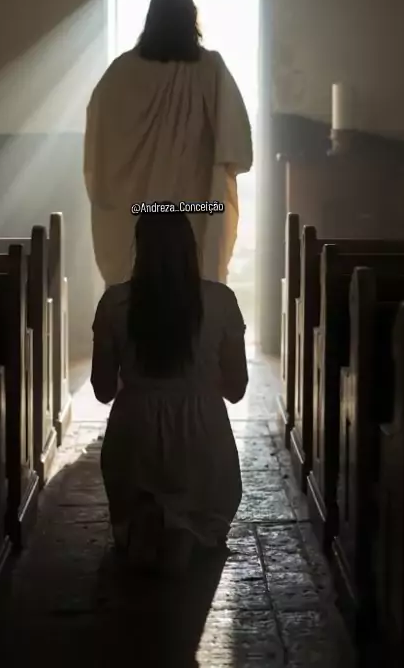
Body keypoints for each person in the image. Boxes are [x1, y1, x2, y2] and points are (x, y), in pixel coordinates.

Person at [90, 208, 248, 575]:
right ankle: (185, 529)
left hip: (136, 432)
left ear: (140, 249)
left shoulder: (114, 302)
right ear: (190, 249)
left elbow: (102, 390)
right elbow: (237, 390)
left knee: (137, 498)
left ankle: (147, 522)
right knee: (204, 507)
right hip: (202, 434)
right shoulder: (221, 300)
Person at [83, 0, 253, 286]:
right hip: (197, 206)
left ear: (151, 20)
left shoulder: (121, 73)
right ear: (191, 20)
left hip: (136, 208)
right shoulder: (211, 70)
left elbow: (100, 142)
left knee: (138, 285)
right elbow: (237, 148)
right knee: (193, 283)